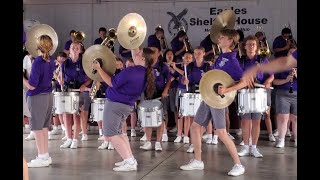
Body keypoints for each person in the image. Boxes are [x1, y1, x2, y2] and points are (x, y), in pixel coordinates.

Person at [180, 29, 245, 176]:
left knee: (221, 133)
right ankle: (197, 161)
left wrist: (227, 91)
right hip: (209, 97)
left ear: (230, 41)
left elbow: (243, 81)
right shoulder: (222, 57)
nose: (219, 39)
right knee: (195, 128)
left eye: (222, 37)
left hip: (218, 100)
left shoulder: (232, 60)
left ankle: (238, 165)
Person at [91, 47, 156, 171]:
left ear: (142, 58)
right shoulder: (144, 72)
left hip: (116, 104)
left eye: (139, 53)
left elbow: (112, 83)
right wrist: (133, 44)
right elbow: (134, 52)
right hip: (126, 105)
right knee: (120, 132)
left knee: (110, 133)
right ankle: (129, 158)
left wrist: (99, 69)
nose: (135, 54)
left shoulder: (132, 71)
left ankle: (129, 161)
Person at [23, 35, 56, 167]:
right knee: (43, 127)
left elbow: (32, 85)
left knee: (37, 127)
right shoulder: (51, 60)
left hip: (37, 96)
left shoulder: (38, 61)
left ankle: (42, 157)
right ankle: (45, 155)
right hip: (48, 95)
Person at [59, 41, 92, 149]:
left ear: (80, 51)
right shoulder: (64, 63)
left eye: (77, 48)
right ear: (69, 49)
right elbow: (62, 79)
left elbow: (91, 77)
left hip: (80, 91)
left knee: (76, 115)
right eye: (73, 47)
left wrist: (84, 85)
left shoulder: (84, 62)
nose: (74, 49)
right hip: (68, 91)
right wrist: (61, 82)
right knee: (66, 115)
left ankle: (75, 139)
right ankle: (68, 138)